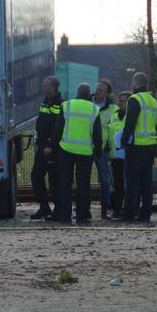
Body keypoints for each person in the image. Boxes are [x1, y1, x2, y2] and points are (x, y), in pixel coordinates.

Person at [53, 83, 104, 226]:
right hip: (85, 153)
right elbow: (97, 134)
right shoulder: (94, 109)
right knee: (83, 185)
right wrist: (98, 152)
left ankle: (64, 215)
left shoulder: (66, 105)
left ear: (77, 92)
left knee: (64, 183)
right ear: (90, 94)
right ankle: (82, 216)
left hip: (66, 150)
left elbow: (58, 129)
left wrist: (55, 148)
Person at [119, 73, 157, 224]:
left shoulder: (135, 99)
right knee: (146, 182)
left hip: (136, 147)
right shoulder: (155, 102)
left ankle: (129, 213)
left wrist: (123, 140)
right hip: (150, 145)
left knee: (132, 182)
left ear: (136, 83)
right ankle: (145, 214)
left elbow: (130, 123)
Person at [31, 76, 64, 220]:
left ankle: (58, 209)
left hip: (53, 148)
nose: (42, 87)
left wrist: (51, 145)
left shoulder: (60, 104)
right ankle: (44, 207)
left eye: (45, 85)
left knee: (54, 179)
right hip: (42, 145)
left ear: (53, 88)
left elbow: (58, 128)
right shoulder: (45, 101)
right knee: (36, 176)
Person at [92, 80, 118, 220]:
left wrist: (109, 144)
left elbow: (114, 128)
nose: (98, 92)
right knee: (83, 179)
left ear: (107, 93)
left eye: (101, 90)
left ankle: (105, 210)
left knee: (105, 180)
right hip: (86, 148)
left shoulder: (113, 109)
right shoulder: (87, 104)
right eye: (97, 89)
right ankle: (83, 210)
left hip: (103, 149)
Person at [109, 91, 130, 218]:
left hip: (128, 155)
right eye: (120, 100)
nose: (120, 103)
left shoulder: (131, 116)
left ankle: (128, 209)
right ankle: (117, 210)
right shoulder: (115, 115)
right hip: (115, 155)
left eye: (123, 101)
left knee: (128, 184)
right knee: (117, 184)